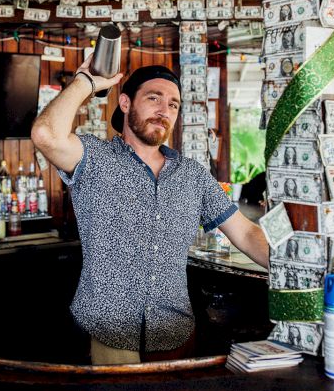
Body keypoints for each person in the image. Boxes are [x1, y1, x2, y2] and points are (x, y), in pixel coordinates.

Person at [31, 60, 269, 365]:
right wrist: (85, 82)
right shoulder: (95, 158)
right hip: (109, 334)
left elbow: (246, 232)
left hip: (175, 333)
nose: (164, 110)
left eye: (173, 104)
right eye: (154, 98)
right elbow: (46, 135)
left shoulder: (193, 175)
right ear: (126, 103)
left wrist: (296, 270)